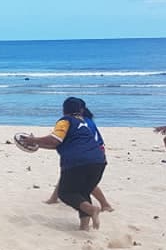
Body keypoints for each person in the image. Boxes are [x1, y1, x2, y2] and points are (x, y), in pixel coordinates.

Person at [18, 97, 107, 231]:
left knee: (66, 193)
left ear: (64, 110)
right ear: (80, 110)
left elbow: (55, 139)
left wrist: (33, 139)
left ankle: (92, 209)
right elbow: (59, 144)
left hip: (78, 162)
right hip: (99, 161)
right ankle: (84, 227)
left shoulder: (65, 121)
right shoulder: (83, 124)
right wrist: (38, 144)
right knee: (82, 193)